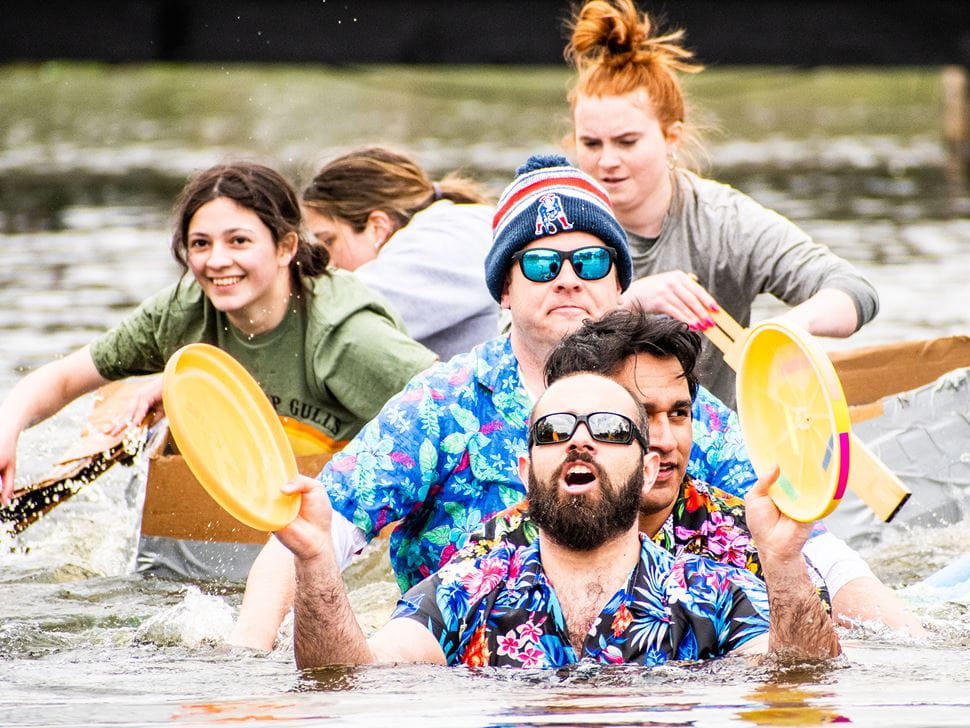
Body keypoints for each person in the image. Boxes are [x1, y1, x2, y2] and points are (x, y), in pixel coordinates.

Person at [229, 154, 763, 649]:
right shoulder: (443, 404)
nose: (569, 280)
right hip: (456, 662)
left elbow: (802, 543)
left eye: (591, 261)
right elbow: (310, 535)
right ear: (504, 289)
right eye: (540, 265)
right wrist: (249, 669)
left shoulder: (674, 403)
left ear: (620, 282)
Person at [0, 162, 436, 579]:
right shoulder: (183, 313)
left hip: (340, 528)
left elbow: (455, 407)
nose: (216, 261)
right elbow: (61, 379)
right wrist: (8, 429)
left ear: (286, 247)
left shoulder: (346, 339)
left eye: (239, 241)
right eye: (200, 244)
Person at [278, 372, 842, 668]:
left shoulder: (712, 594)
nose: (578, 440)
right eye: (554, 431)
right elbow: (350, 680)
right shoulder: (467, 590)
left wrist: (784, 561)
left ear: (649, 471)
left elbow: (801, 678)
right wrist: (314, 562)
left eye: (608, 429)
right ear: (526, 470)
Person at [459, 309, 925, 635]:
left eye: (679, 413)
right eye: (642, 415)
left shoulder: (745, 541)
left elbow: (850, 660)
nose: (665, 439)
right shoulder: (497, 548)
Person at [565, 0, 880, 406]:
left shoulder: (722, 220)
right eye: (591, 144)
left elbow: (855, 292)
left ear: (671, 138)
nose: (607, 161)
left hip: (712, 446)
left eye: (627, 142)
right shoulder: (561, 226)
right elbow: (520, 344)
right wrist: (630, 302)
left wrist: (782, 334)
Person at [302, 147, 498, 360]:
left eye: (329, 241)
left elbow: (330, 317)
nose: (328, 263)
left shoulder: (443, 242)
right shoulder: (459, 222)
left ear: (377, 226)